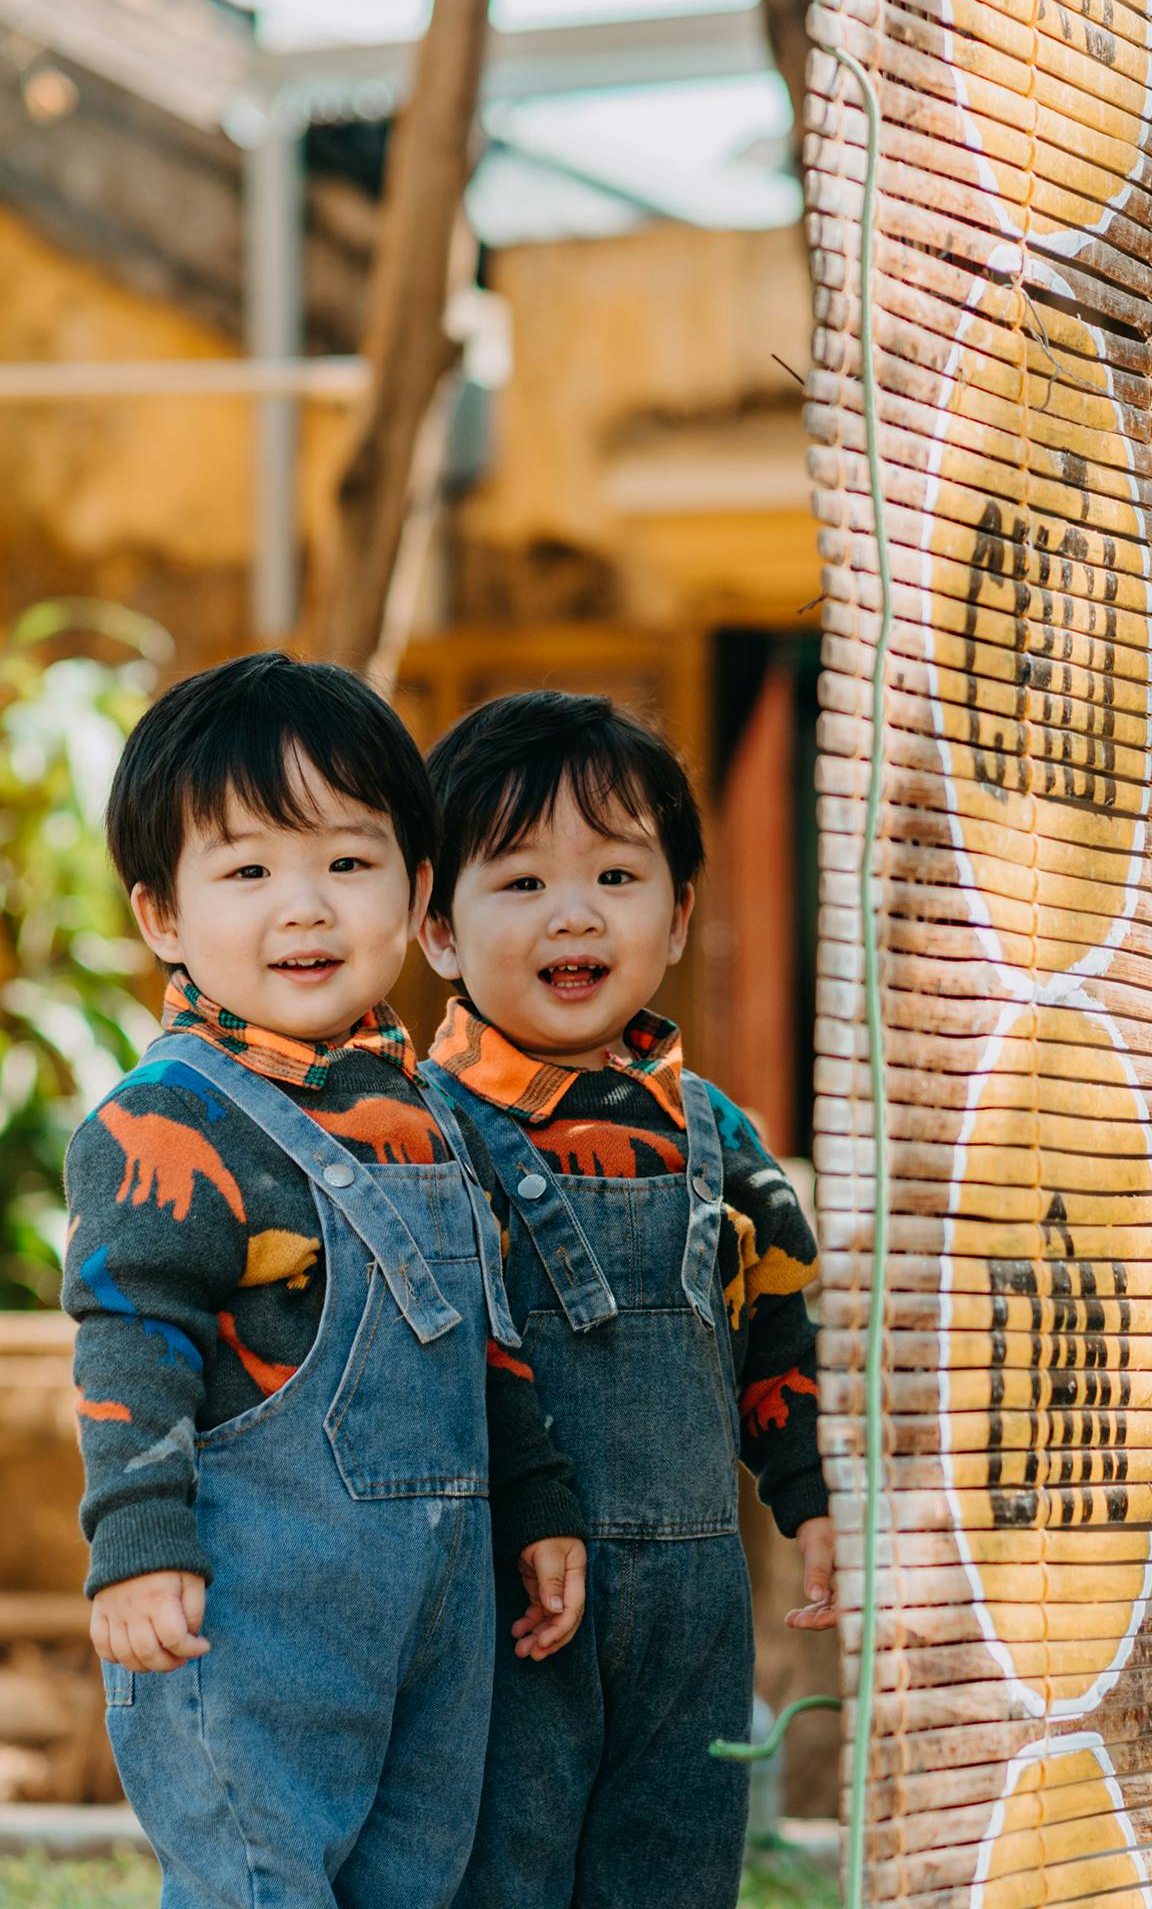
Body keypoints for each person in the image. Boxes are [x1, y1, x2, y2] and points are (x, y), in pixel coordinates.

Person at [62, 652, 589, 1909]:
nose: (304, 908)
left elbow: (486, 1335)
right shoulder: (166, 1121)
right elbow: (129, 1334)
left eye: (347, 864)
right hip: (247, 1629)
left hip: (435, 1628)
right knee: (262, 1883)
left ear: (415, 892)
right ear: (163, 918)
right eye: (246, 871)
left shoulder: (424, 1109)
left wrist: (538, 1498)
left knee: (418, 1881)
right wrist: (135, 1541)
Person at [415, 690, 837, 1909]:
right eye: (522, 881)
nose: (575, 910)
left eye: (616, 871)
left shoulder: (719, 1136)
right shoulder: (418, 1137)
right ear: (438, 927)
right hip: (506, 1608)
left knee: (679, 1868)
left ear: (679, 913)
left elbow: (784, 1333)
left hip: (697, 1616)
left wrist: (813, 1496)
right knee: (507, 1870)